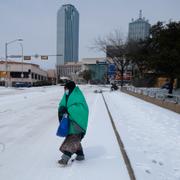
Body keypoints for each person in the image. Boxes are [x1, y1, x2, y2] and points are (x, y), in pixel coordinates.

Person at [58, 81, 89, 165]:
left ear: (70, 88)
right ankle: (80, 155)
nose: (65, 90)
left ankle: (65, 159)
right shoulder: (67, 95)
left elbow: (80, 109)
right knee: (75, 139)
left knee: (72, 140)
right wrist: (62, 109)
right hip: (70, 122)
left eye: (66, 88)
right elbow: (62, 104)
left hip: (78, 123)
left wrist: (68, 110)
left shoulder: (77, 95)